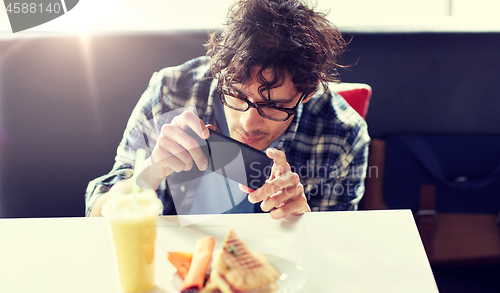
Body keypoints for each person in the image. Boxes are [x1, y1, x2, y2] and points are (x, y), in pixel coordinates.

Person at [85, 0, 370, 220]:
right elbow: (96, 215)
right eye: (236, 95)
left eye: (274, 106)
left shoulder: (343, 133)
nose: (249, 122)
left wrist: (302, 221)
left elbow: (334, 261)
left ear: (305, 96)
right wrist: (148, 172)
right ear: (220, 74)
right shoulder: (170, 91)